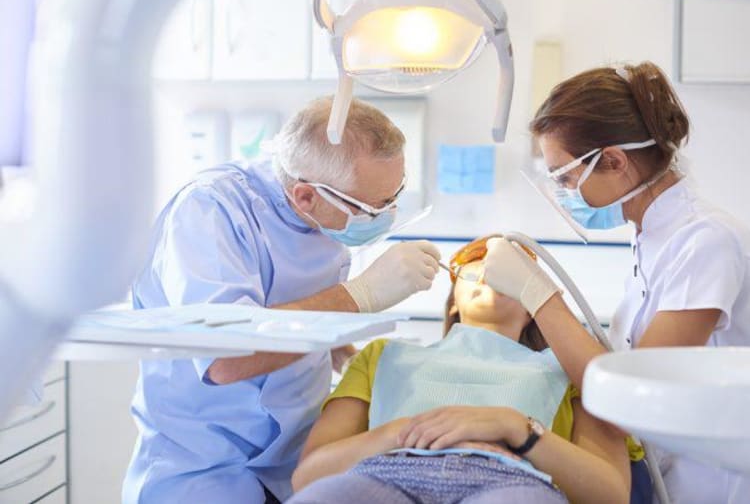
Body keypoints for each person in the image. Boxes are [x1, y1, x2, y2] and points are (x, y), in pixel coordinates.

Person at [122, 97, 442, 503]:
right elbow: (227, 358)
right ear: (305, 196)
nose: (387, 215)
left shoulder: (326, 216)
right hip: (203, 466)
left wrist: (347, 354)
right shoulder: (209, 211)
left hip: (292, 461)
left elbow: (298, 307)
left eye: (395, 196)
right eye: (372, 208)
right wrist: (361, 295)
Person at [484, 61, 750, 503]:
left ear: (613, 160)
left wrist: (538, 294)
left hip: (715, 484)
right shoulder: (652, 237)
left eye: (566, 176)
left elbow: (635, 395)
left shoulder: (706, 240)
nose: (565, 191)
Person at [288, 236, 638, 504]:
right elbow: (308, 477)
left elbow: (610, 494)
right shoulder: (382, 357)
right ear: (453, 298)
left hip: (510, 482)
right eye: (475, 264)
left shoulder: (572, 373)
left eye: (510, 273)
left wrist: (516, 429)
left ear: (533, 304)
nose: (488, 271)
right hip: (387, 472)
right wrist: (402, 433)